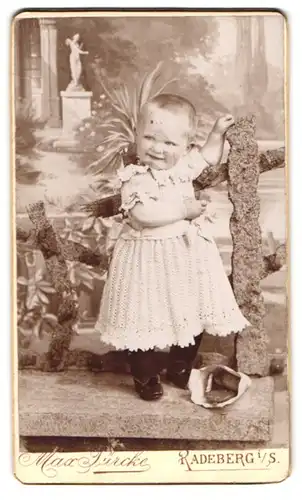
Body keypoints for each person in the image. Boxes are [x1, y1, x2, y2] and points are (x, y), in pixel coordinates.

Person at [95, 93, 250, 401]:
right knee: (143, 315)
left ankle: (181, 366)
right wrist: (183, 211)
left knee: (190, 310)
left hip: (184, 256)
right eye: (150, 138)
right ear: (137, 135)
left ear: (184, 146)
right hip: (146, 258)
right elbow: (143, 215)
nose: (157, 148)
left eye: (169, 144)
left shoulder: (181, 168)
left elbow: (208, 155)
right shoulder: (135, 178)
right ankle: (145, 375)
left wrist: (217, 133)